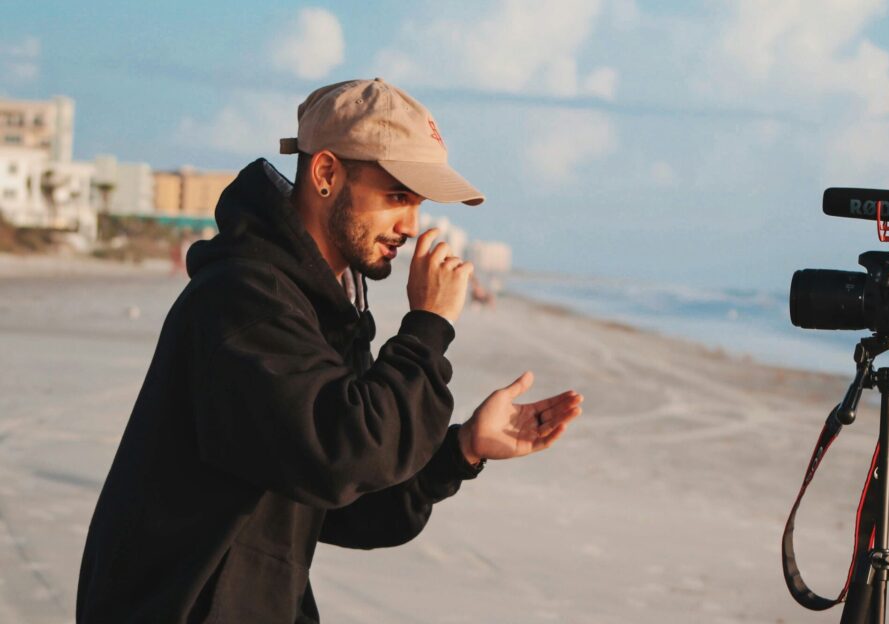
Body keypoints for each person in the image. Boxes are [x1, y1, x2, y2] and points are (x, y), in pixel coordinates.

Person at [77, 78, 584, 623]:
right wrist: (427, 328)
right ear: (325, 174)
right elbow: (342, 456)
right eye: (396, 196)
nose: (411, 226)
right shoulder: (245, 300)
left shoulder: (322, 310)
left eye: (416, 202)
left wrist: (462, 450)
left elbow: (351, 504)